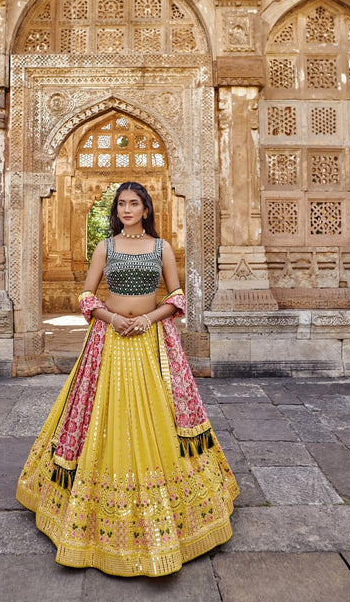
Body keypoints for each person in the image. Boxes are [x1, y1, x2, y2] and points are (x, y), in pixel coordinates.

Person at [16, 181, 239, 577]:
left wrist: (148, 319)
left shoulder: (161, 248)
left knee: (158, 415)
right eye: (121, 204)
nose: (127, 209)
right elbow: (85, 296)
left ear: (146, 209)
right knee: (104, 412)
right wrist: (113, 318)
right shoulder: (106, 247)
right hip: (110, 339)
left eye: (134, 203)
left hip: (151, 339)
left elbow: (178, 296)